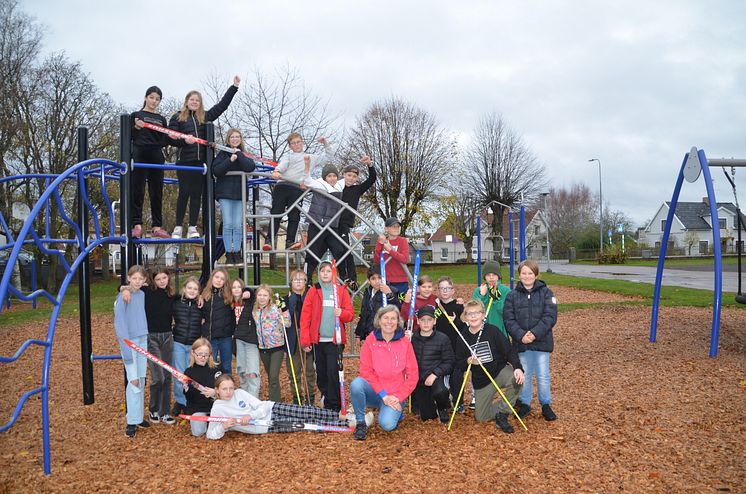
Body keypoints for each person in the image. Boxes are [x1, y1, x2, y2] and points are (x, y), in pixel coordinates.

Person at [170, 76, 240, 239]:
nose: (194, 102)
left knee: (197, 194)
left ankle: (193, 227)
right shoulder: (178, 117)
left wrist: (234, 87)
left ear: (200, 103)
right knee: (184, 193)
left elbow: (222, 106)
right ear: (187, 101)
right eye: (192, 99)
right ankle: (178, 226)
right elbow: (171, 135)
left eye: (197, 100)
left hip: (202, 163)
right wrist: (182, 139)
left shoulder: (205, 118)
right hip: (185, 161)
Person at [205, 374, 353, 439]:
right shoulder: (217, 408)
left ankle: (341, 415)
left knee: (306, 411)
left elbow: (261, 406)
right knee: (307, 424)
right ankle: (347, 424)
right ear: (217, 390)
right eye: (224, 389)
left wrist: (251, 416)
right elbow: (211, 435)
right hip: (266, 425)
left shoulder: (240, 393)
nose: (229, 392)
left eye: (231, 388)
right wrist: (223, 427)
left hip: (271, 408)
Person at [454, 299, 524, 433]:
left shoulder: (492, 331)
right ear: (466, 317)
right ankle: (506, 406)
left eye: (477, 313)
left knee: (517, 380)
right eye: (470, 314)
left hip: (499, 370)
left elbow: (509, 351)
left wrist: (517, 367)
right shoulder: (462, 338)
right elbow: (458, 364)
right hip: (482, 380)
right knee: (481, 417)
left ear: (483, 315)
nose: (473, 316)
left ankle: (503, 413)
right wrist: (469, 360)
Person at [350, 305, 418, 440]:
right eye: (385, 318)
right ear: (379, 320)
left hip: (394, 395)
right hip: (376, 392)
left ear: (398, 321)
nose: (389, 322)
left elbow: (413, 375)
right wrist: (383, 395)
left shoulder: (405, 342)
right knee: (356, 384)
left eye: (393, 318)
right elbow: (366, 371)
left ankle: (395, 412)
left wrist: (398, 397)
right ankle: (360, 422)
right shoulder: (371, 340)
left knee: (387, 425)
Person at [503, 259, 558, 422]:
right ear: (519, 275)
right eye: (524, 273)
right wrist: (520, 335)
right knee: (524, 374)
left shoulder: (547, 293)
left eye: (530, 273)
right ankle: (525, 403)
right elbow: (508, 319)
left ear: (536, 275)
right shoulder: (512, 296)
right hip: (522, 343)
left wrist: (534, 334)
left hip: (541, 341)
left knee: (543, 375)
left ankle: (546, 404)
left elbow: (550, 316)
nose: (527, 276)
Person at [300, 258, 354, 412]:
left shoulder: (340, 291)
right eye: (322, 271)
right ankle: (326, 396)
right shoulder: (313, 291)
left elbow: (350, 314)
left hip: (334, 340)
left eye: (328, 271)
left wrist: (341, 313)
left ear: (333, 273)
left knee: (333, 373)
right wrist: (306, 340)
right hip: (318, 341)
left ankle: (334, 405)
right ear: (318, 273)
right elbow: (305, 317)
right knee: (322, 374)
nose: (325, 273)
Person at [266, 133, 333, 250]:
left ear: (302, 142)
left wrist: (325, 143)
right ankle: (269, 240)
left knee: (294, 214)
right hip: (283, 186)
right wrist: (277, 171)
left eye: (298, 142)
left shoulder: (311, 157)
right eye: (293, 143)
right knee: (276, 212)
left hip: (297, 188)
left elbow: (329, 157)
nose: (296, 145)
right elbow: (283, 165)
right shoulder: (288, 156)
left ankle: (290, 241)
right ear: (290, 146)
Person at [113, 265, 151, 438]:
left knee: (141, 379)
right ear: (128, 278)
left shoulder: (141, 294)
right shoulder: (123, 297)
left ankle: (137, 417)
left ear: (144, 281)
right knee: (133, 380)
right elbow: (120, 325)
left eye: (140, 279)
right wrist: (127, 350)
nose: (137, 281)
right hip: (129, 342)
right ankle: (131, 422)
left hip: (142, 339)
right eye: (134, 278)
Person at [130, 86, 169, 238]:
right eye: (152, 97)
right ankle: (136, 225)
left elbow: (163, 140)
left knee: (157, 191)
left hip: (156, 154)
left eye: (157, 99)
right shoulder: (136, 115)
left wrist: (171, 138)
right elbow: (130, 136)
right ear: (146, 97)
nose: (154, 101)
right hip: (140, 152)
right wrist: (136, 127)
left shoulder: (161, 119)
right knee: (137, 190)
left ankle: (157, 227)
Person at [213, 128, 256, 264]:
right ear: (228, 139)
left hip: (239, 194)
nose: (235, 139)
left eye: (238, 137)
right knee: (228, 224)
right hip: (225, 193)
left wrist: (239, 156)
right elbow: (216, 170)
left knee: (238, 224)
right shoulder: (223, 154)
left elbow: (250, 167)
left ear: (241, 139)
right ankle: (228, 253)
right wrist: (230, 160)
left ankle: (237, 252)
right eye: (232, 137)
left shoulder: (243, 154)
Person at [302, 163, 348, 283]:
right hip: (317, 224)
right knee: (313, 253)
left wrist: (368, 165)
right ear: (324, 177)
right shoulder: (319, 184)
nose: (332, 178)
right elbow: (307, 180)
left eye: (334, 176)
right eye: (329, 176)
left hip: (332, 226)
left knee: (339, 250)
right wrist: (307, 169)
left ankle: (345, 277)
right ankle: (307, 278)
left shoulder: (339, 185)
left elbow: (350, 177)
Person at [336, 155, 376, 289]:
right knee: (337, 250)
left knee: (345, 249)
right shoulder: (337, 187)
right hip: (331, 222)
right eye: (349, 175)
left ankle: (351, 279)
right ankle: (342, 276)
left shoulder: (357, 189)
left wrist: (370, 165)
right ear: (343, 175)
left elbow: (372, 179)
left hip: (344, 224)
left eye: (354, 176)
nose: (351, 178)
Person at [411, 305, 454, 423]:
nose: (426, 323)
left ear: (434, 321)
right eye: (423, 320)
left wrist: (435, 374)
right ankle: (431, 403)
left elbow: (449, 362)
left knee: (441, 391)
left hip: (436, 377)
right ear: (418, 321)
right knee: (428, 416)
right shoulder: (412, 339)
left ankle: (442, 406)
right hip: (420, 381)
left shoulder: (442, 338)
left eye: (429, 320)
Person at [283, 270, 317, 405]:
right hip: (292, 339)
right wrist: (292, 300)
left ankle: (310, 398)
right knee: (294, 370)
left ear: (305, 282)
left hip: (307, 337)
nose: (298, 282)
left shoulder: (310, 298)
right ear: (291, 282)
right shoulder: (285, 299)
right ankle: (297, 397)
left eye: (301, 279)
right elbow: (286, 318)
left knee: (309, 370)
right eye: (295, 279)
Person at [171, 277, 203, 417]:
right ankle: (180, 401)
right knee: (179, 374)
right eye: (189, 288)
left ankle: (191, 401)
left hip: (194, 345)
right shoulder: (176, 302)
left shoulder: (201, 305)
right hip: (178, 342)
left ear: (199, 292)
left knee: (192, 374)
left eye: (195, 289)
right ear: (184, 289)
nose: (192, 291)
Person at [253, 284, 290, 402]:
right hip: (263, 349)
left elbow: (288, 323)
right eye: (260, 295)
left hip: (276, 347)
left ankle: (275, 403)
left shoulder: (274, 309)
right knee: (270, 377)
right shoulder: (255, 311)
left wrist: (284, 310)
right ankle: (274, 399)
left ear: (270, 297)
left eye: (265, 295)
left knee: (273, 376)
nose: (262, 297)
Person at [434, 276, 465, 412]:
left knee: (456, 376)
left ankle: (459, 402)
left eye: (447, 288)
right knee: (441, 375)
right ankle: (442, 402)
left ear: (453, 290)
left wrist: (457, 321)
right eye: (441, 288)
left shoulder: (460, 306)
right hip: (440, 348)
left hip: (456, 347)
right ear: (438, 291)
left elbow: (466, 326)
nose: (444, 291)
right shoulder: (435, 307)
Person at [183, 338, 220, 437]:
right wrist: (186, 388)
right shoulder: (188, 372)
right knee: (198, 432)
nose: (203, 357)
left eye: (206, 354)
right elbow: (189, 398)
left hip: (216, 407)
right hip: (198, 408)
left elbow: (228, 386)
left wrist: (215, 392)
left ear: (210, 354)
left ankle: (211, 422)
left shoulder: (217, 369)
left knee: (226, 427)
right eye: (199, 354)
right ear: (193, 353)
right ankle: (208, 422)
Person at [200, 268, 235, 375]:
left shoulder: (229, 294)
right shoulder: (204, 294)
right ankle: (212, 388)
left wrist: (248, 292)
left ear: (225, 281)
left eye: (222, 279)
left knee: (226, 365)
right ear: (212, 278)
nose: (219, 280)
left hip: (226, 337)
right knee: (211, 365)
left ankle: (227, 389)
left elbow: (245, 291)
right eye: (217, 277)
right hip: (210, 336)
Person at [231, 278, 260, 398]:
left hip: (251, 340)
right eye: (234, 287)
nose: (237, 289)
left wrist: (248, 291)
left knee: (252, 372)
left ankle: (254, 400)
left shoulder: (249, 302)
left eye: (239, 287)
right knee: (242, 372)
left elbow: (254, 295)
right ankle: (245, 398)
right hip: (237, 340)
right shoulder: (229, 303)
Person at [355, 264, 399, 343]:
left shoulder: (391, 291)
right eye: (373, 279)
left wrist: (390, 295)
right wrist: (359, 333)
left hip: (383, 334)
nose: (377, 281)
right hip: (369, 334)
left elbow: (398, 309)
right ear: (369, 281)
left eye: (380, 278)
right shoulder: (367, 293)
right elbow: (363, 314)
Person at [472, 260, 511, 339]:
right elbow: (474, 311)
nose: (491, 277)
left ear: (498, 276)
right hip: (482, 331)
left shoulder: (505, 291)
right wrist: (482, 296)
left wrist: (496, 299)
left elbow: (506, 312)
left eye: (494, 274)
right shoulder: (478, 290)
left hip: (500, 331)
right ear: (484, 276)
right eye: (488, 275)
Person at [373, 217, 410, 295]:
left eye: (398, 226)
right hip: (386, 280)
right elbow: (377, 260)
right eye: (393, 226)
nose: (396, 228)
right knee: (388, 305)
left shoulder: (403, 241)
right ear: (386, 229)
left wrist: (390, 250)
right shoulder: (382, 241)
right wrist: (380, 243)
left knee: (401, 305)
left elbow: (405, 259)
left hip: (401, 281)